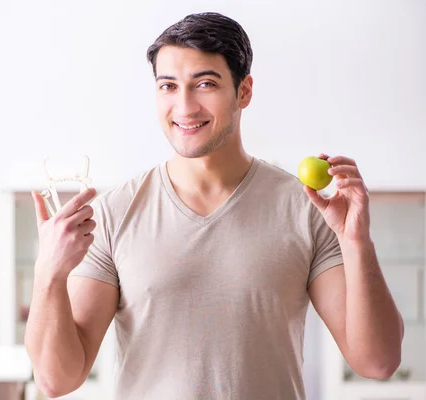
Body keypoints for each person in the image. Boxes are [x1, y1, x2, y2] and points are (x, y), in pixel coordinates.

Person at [24, 12, 404, 400]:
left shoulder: (305, 209)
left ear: (244, 91)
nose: (185, 107)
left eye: (205, 83)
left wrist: (356, 241)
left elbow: (377, 361)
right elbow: (57, 380)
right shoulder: (114, 213)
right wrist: (49, 272)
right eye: (168, 86)